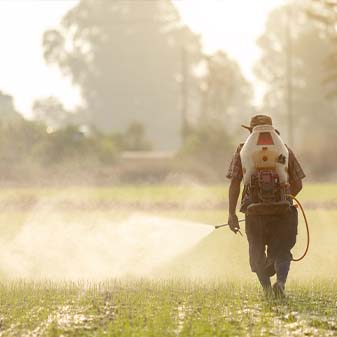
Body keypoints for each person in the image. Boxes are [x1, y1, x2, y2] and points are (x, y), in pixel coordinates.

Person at [226, 115, 305, 297]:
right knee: (282, 249)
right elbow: (298, 183)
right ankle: (281, 283)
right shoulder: (284, 150)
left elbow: (235, 183)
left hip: (254, 212)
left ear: (250, 132)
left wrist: (232, 214)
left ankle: (268, 291)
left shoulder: (242, 151)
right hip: (282, 211)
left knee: (257, 252)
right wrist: (284, 197)